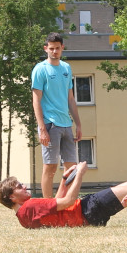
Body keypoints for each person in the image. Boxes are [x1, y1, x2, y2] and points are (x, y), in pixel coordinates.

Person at [0, 164, 127, 229]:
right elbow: (68, 201)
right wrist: (80, 175)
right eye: (19, 187)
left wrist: (64, 180)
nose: (24, 186)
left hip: (89, 215)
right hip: (88, 209)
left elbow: (56, 205)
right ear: (12, 197)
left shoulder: (24, 217)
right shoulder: (30, 205)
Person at [31, 32, 82, 199]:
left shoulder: (66, 68)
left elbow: (71, 99)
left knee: (72, 168)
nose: (54, 51)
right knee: (50, 168)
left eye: (57, 48)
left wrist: (78, 124)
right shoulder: (40, 69)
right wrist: (42, 129)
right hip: (50, 124)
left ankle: (67, 202)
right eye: (51, 48)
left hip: (66, 124)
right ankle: (48, 205)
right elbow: (36, 101)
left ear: (62, 49)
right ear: (46, 49)